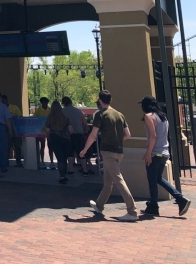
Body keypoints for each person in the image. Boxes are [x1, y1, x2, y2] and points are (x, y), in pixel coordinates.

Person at [79, 90, 137, 221]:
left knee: (118, 181)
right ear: (111, 100)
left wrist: (85, 149)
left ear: (100, 100)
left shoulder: (100, 115)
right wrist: (116, 138)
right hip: (119, 152)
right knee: (108, 181)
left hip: (107, 152)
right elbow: (128, 135)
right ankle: (99, 205)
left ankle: (132, 211)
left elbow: (93, 135)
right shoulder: (119, 115)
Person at [140, 96, 191, 217]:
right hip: (164, 152)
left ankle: (154, 206)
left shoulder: (149, 116)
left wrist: (148, 153)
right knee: (158, 178)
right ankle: (179, 199)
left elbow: (153, 136)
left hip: (155, 153)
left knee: (152, 180)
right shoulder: (163, 117)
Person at [44, 101, 73, 184]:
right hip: (66, 139)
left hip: (55, 139)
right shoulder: (65, 118)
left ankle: (62, 176)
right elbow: (71, 130)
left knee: (60, 159)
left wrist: (49, 137)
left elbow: (47, 130)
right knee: (64, 158)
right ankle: (65, 174)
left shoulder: (49, 118)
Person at [62, 96, 90, 176]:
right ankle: (85, 170)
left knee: (70, 153)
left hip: (67, 135)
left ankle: (70, 169)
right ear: (71, 102)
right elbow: (85, 123)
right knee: (81, 153)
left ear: (63, 103)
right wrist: (85, 131)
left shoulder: (62, 112)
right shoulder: (78, 111)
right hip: (78, 135)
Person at [2, 95, 24, 167]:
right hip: (6, 130)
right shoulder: (1, 109)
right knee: (7, 146)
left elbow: (20, 117)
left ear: (7, 100)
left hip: (16, 130)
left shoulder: (14, 108)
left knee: (18, 146)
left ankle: (18, 161)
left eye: (4, 101)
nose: (3, 103)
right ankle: (6, 161)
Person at [33, 98, 53, 169]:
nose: (44, 104)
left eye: (46, 103)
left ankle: (52, 162)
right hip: (41, 131)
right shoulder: (38, 110)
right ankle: (42, 161)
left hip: (49, 130)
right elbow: (34, 119)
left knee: (50, 146)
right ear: (41, 103)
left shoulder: (50, 110)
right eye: (43, 103)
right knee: (42, 146)